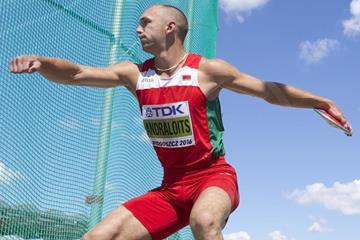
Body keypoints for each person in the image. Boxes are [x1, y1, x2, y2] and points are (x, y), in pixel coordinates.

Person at [9, 4, 352, 240]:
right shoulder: (134, 74)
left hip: (213, 177)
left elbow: (269, 91)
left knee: (203, 220)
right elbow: (79, 73)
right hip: (171, 189)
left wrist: (320, 101)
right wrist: (43, 62)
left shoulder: (207, 71)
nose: (137, 29)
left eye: (145, 23)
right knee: (98, 235)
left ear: (170, 27)